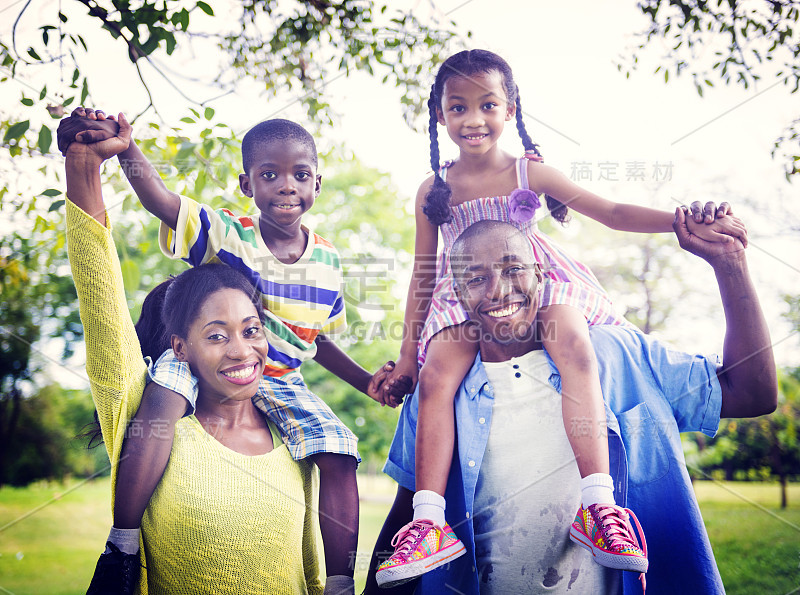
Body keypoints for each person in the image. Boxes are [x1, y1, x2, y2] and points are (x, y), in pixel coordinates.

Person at [374, 49, 748, 587]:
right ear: (439, 114)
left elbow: (613, 213)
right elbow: (424, 274)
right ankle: (429, 522)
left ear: (510, 108)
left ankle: (598, 506)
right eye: (457, 107)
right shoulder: (433, 189)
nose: (473, 119)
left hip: (535, 286)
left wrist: (680, 222)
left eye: (487, 104)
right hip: (468, 298)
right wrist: (409, 358)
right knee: (438, 375)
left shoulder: (529, 170)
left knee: (574, 343)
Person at [58, 109, 407, 595]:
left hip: (283, 380)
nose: (286, 186)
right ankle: (123, 543)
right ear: (247, 184)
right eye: (270, 175)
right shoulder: (229, 232)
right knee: (161, 400)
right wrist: (127, 151)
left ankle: (341, 580)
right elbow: (161, 200)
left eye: (300, 175)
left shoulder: (327, 261)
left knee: (341, 449)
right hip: (202, 367)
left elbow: (317, 339)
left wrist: (367, 381)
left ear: (318, 184)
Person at [366, 217, 776, 594]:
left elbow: (752, 391)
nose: (499, 290)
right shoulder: (437, 390)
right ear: (457, 293)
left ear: (540, 275)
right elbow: (405, 516)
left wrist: (731, 264)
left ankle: (599, 509)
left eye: (514, 269)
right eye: (476, 278)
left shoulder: (616, 356)